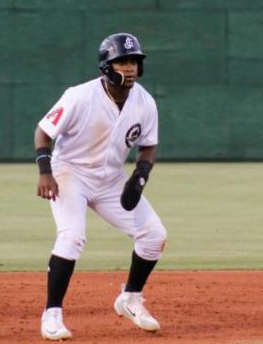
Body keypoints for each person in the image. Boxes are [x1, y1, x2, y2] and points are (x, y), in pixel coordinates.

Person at [34, 33, 167, 340]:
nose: (130, 67)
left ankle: (130, 298)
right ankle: (51, 314)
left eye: (134, 61)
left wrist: (140, 176)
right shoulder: (80, 96)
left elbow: (149, 146)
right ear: (106, 67)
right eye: (122, 61)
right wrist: (45, 172)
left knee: (154, 236)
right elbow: (43, 132)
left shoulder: (144, 101)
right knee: (72, 237)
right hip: (70, 173)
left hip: (109, 178)